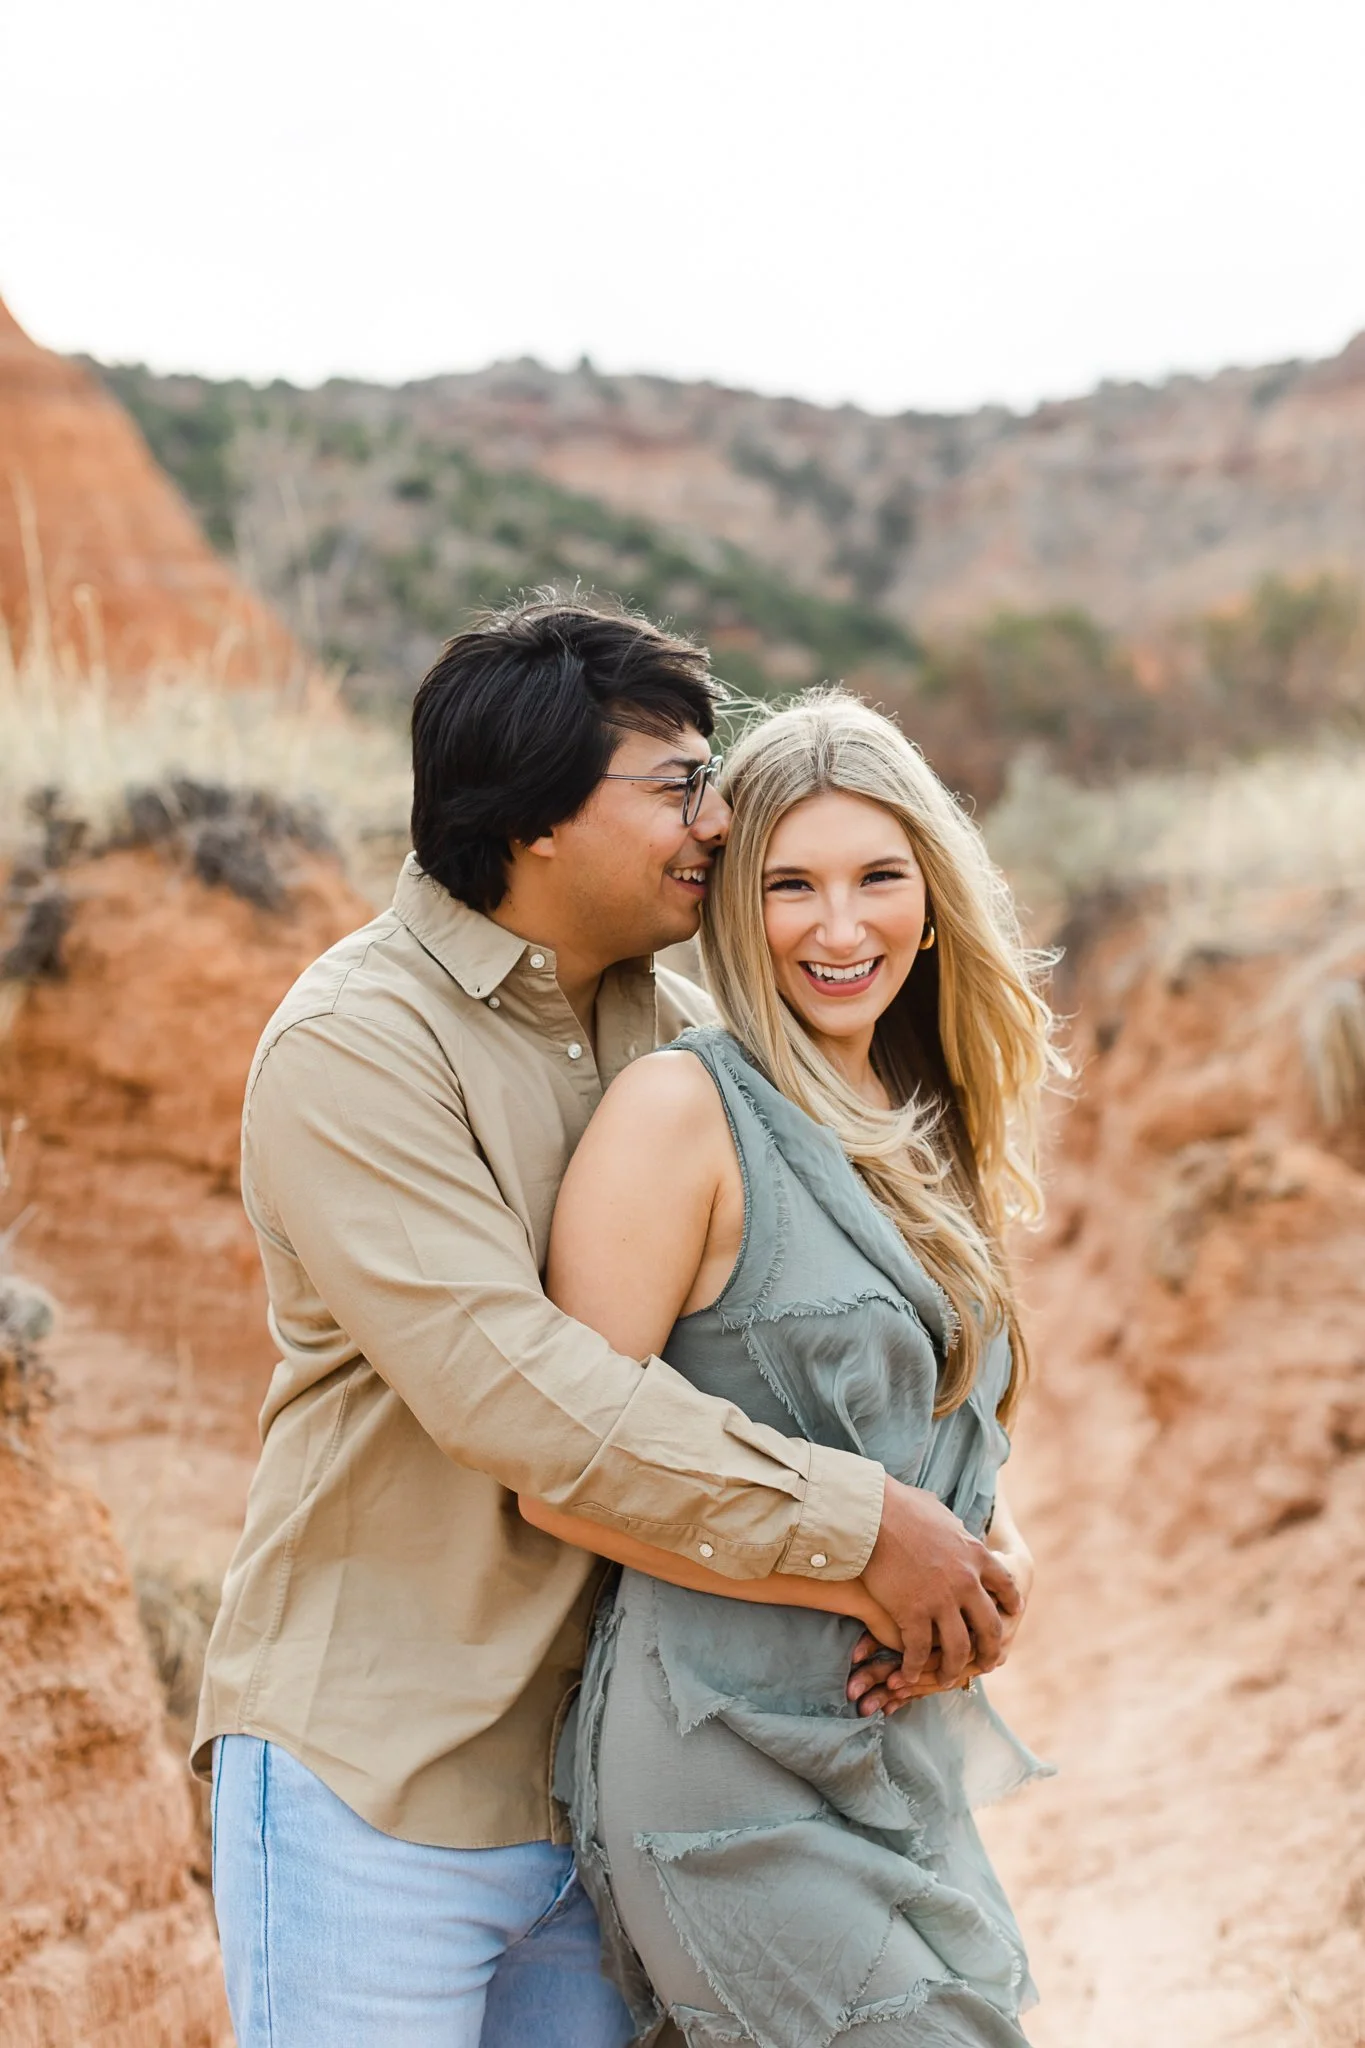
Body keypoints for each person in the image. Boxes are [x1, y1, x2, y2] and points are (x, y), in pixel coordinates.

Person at [192, 599, 1024, 2047]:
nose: (717, 821)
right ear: (535, 822)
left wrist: (964, 1559)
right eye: (680, 783)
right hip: (382, 1775)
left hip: (605, 1786)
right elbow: (522, 1398)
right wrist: (866, 1537)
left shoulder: (678, 1031)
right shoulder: (358, 1046)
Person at [521, 690, 1059, 2046]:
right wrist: (871, 1561)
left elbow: (944, 1438)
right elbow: (563, 1474)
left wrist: (998, 1567)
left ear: (932, 898)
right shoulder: (681, 1113)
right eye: (789, 886)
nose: (839, 927)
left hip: (890, 1754)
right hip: (718, 1761)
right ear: (731, 911)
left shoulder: (929, 1123)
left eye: (879, 878)